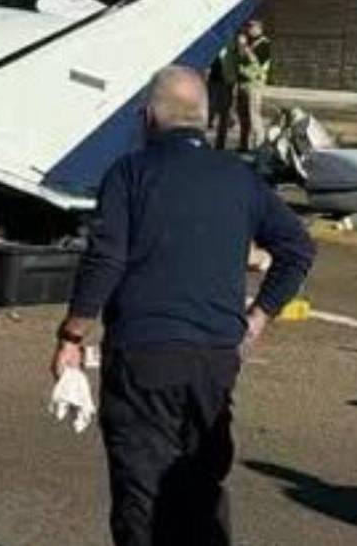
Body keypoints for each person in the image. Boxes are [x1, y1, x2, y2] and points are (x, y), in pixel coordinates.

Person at [51, 66, 315, 545]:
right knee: (200, 489)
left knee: (142, 496)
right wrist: (257, 318)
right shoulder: (240, 177)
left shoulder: (130, 173)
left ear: (147, 117)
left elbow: (106, 259)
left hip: (144, 354)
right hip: (215, 358)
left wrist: (72, 333)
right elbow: (298, 249)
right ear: (205, 118)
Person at [235, 19, 271, 152]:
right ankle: (243, 145)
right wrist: (241, 47)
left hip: (254, 85)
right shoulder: (250, 43)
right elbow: (240, 60)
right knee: (242, 116)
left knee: (254, 115)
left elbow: (257, 62)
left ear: (259, 28)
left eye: (251, 27)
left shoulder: (264, 44)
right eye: (248, 27)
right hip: (242, 83)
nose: (248, 29)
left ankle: (259, 146)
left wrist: (245, 47)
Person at [207, 40, 237, 150]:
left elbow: (235, 65)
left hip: (226, 83)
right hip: (214, 81)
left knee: (224, 113)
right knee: (210, 109)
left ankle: (220, 143)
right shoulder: (213, 47)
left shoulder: (233, 48)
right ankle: (205, 140)